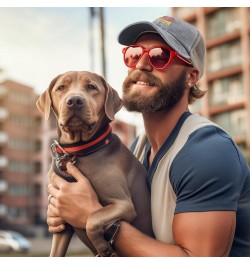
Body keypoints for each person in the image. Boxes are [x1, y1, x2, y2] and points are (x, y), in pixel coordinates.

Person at [47, 15, 250, 257]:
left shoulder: (207, 151)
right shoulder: (136, 149)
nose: (141, 64)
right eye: (134, 54)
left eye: (159, 56)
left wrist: (93, 216)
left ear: (191, 76)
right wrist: (67, 211)